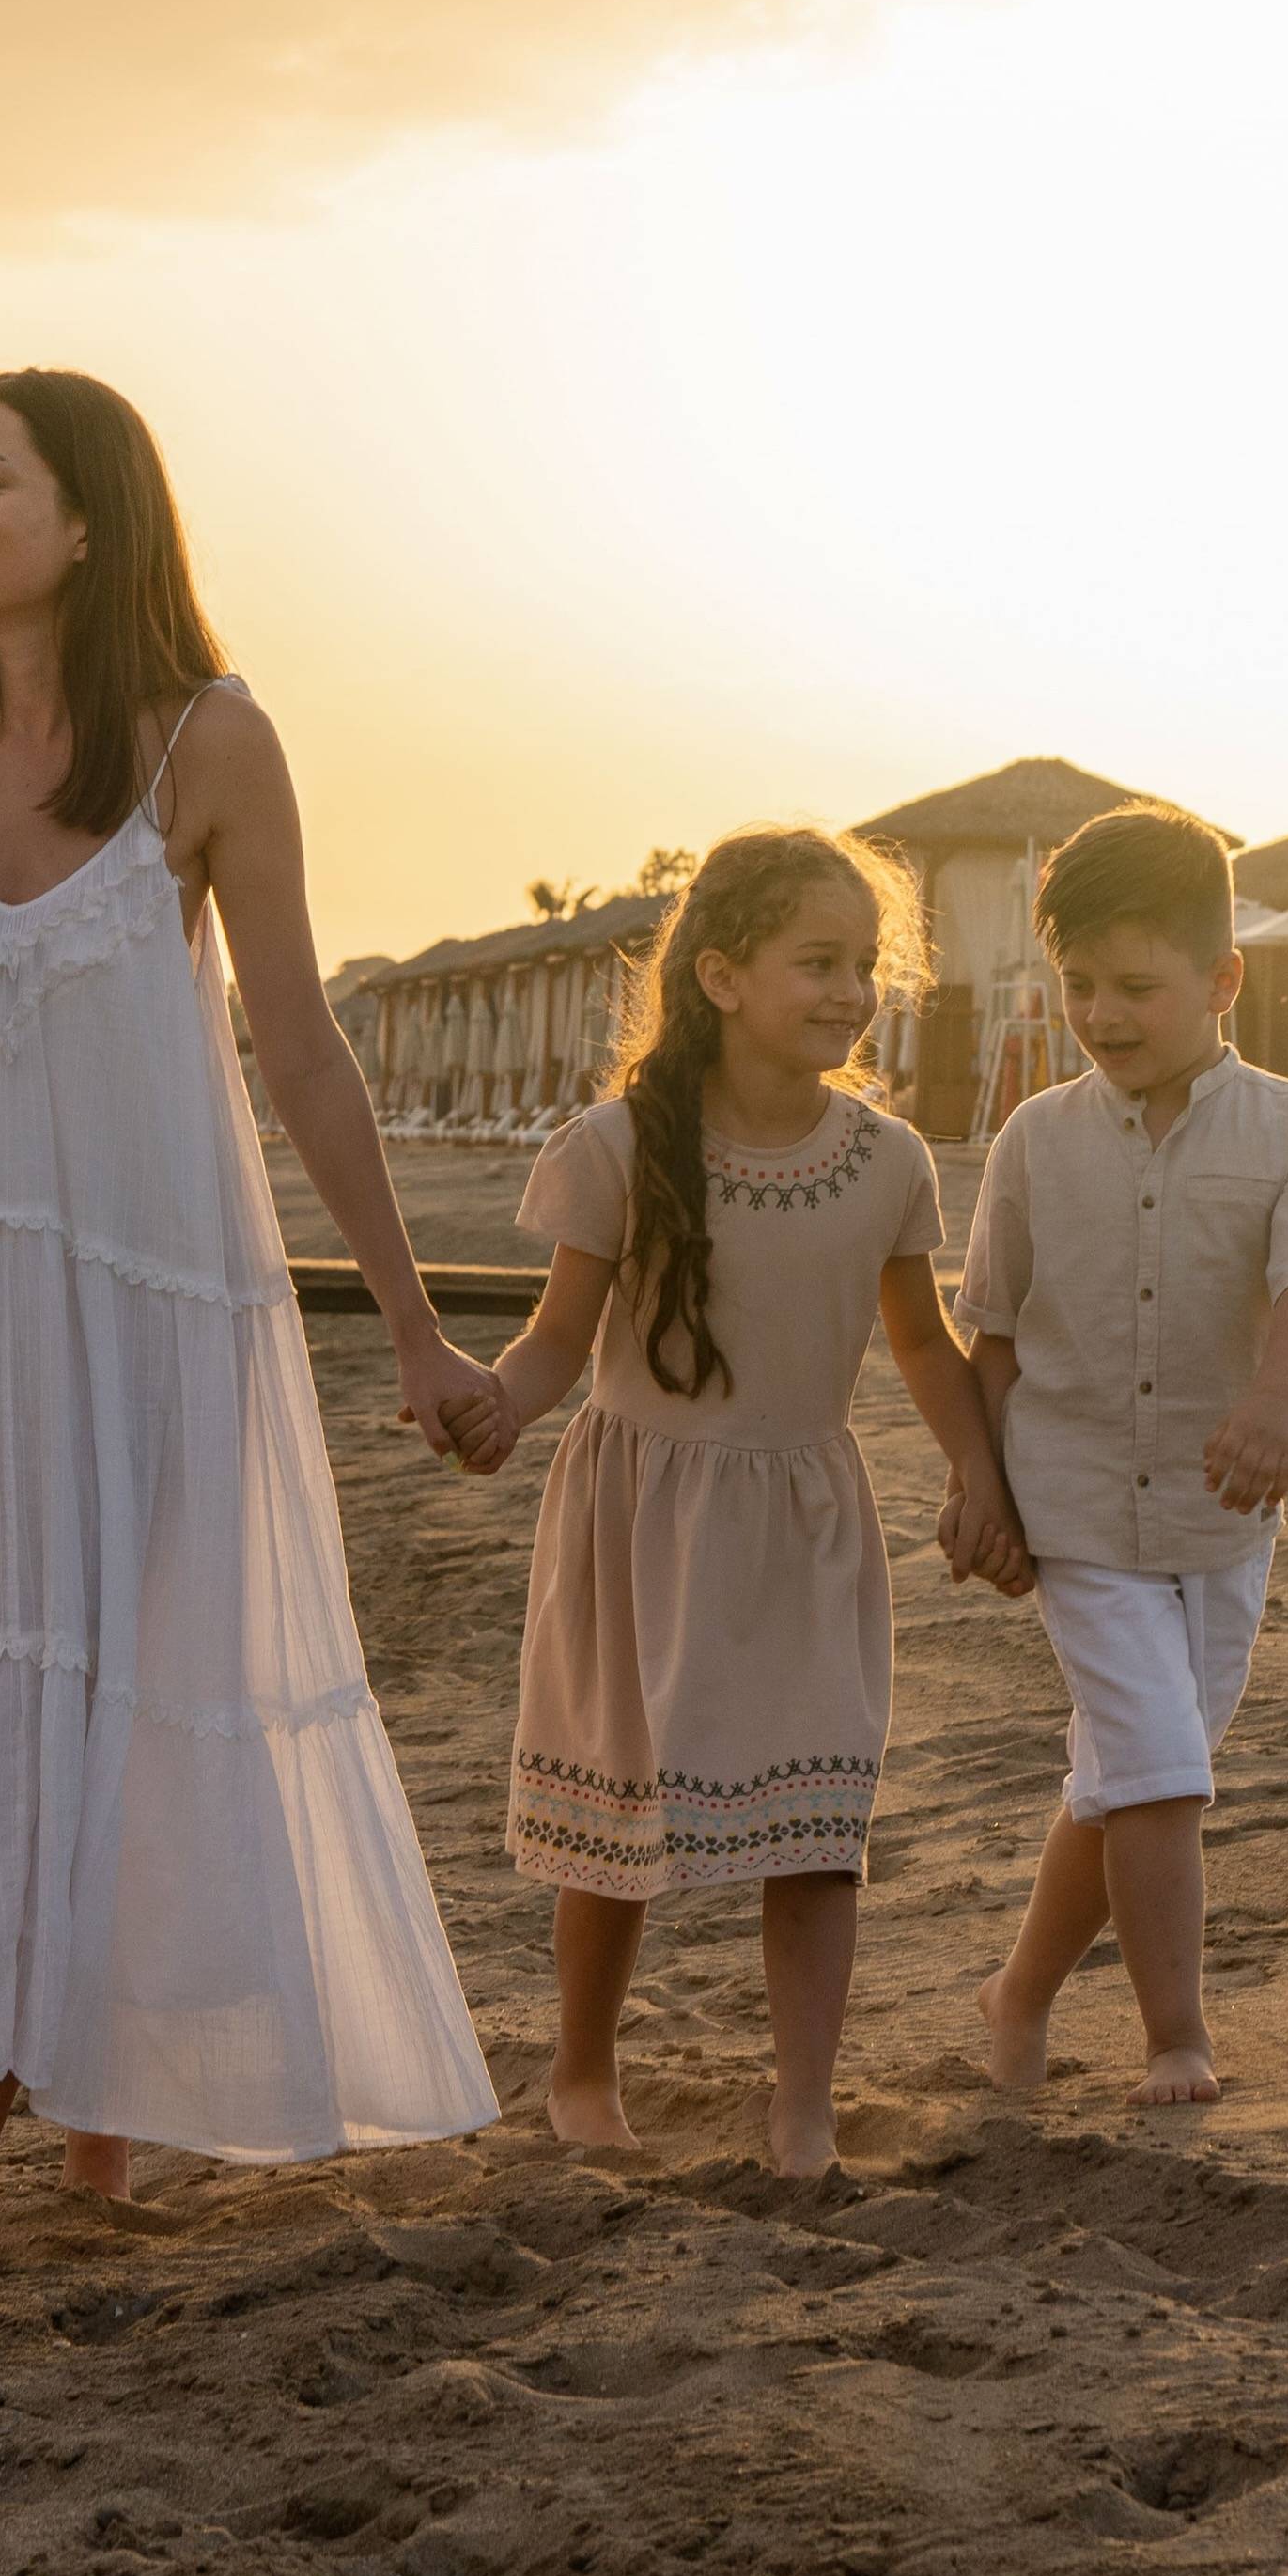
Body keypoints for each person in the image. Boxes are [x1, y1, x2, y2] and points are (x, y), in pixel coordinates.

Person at [0, 369, 504, 2289]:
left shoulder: (210, 742)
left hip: (141, 1293)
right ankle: (27, 2129)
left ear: (92, 517)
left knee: (109, 1674)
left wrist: (411, 1328)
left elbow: (303, 1047)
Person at [459, 826, 1001, 2180]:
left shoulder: (888, 1163)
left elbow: (925, 1345)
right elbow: (554, 1341)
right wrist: (494, 1406)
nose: (848, 991)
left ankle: (803, 2104)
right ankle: (584, 2073)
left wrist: (979, 1471)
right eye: (816, 962)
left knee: (820, 1823)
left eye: (863, 966)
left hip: (808, 1518)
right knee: (617, 1821)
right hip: (639, 1515)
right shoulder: (616, 1148)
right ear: (720, 976)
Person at [946, 804, 1288, 2108]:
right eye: (1078, 986)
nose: (1102, 1014)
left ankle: (1016, 1992)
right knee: (1161, 1766)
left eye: (1137, 987)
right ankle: (1176, 2036)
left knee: (1131, 1772)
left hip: (1220, 1515)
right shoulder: (1031, 1140)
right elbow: (994, 1330)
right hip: (1072, 1503)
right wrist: (987, 1490)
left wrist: (1279, 1409)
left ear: (1222, 980)